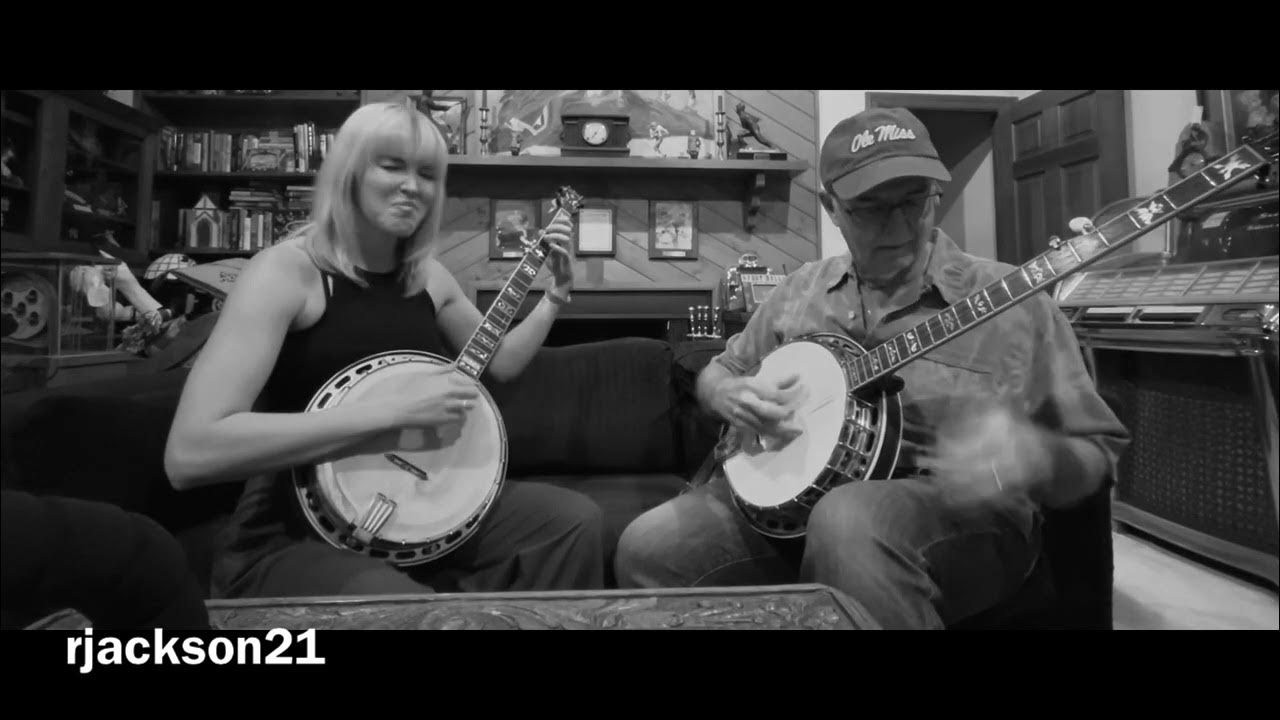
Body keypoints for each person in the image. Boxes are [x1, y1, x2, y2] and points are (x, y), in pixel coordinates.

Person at [613, 107, 1130, 629]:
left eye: (915, 200)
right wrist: (726, 393)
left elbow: (1097, 451)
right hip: (790, 510)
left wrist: (1034, 457)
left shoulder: (1010, 301)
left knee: (848, 520)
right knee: (648, 547)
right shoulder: (800, 291)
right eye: (871, 208)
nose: (902, 226)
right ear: (831, 208)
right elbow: (721, 370)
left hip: (959, 515)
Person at [164, 101, 605, 599]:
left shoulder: (428, 278)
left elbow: (501, 360)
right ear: (349, 171)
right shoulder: (286, 274)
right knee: (402, 605)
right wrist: (391, 414)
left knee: (572, 522)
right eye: (391, 166)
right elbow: (190, 453)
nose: (412, 186)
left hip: (417, 511)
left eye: (428, 174)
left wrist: (555, 297)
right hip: (293, 529)